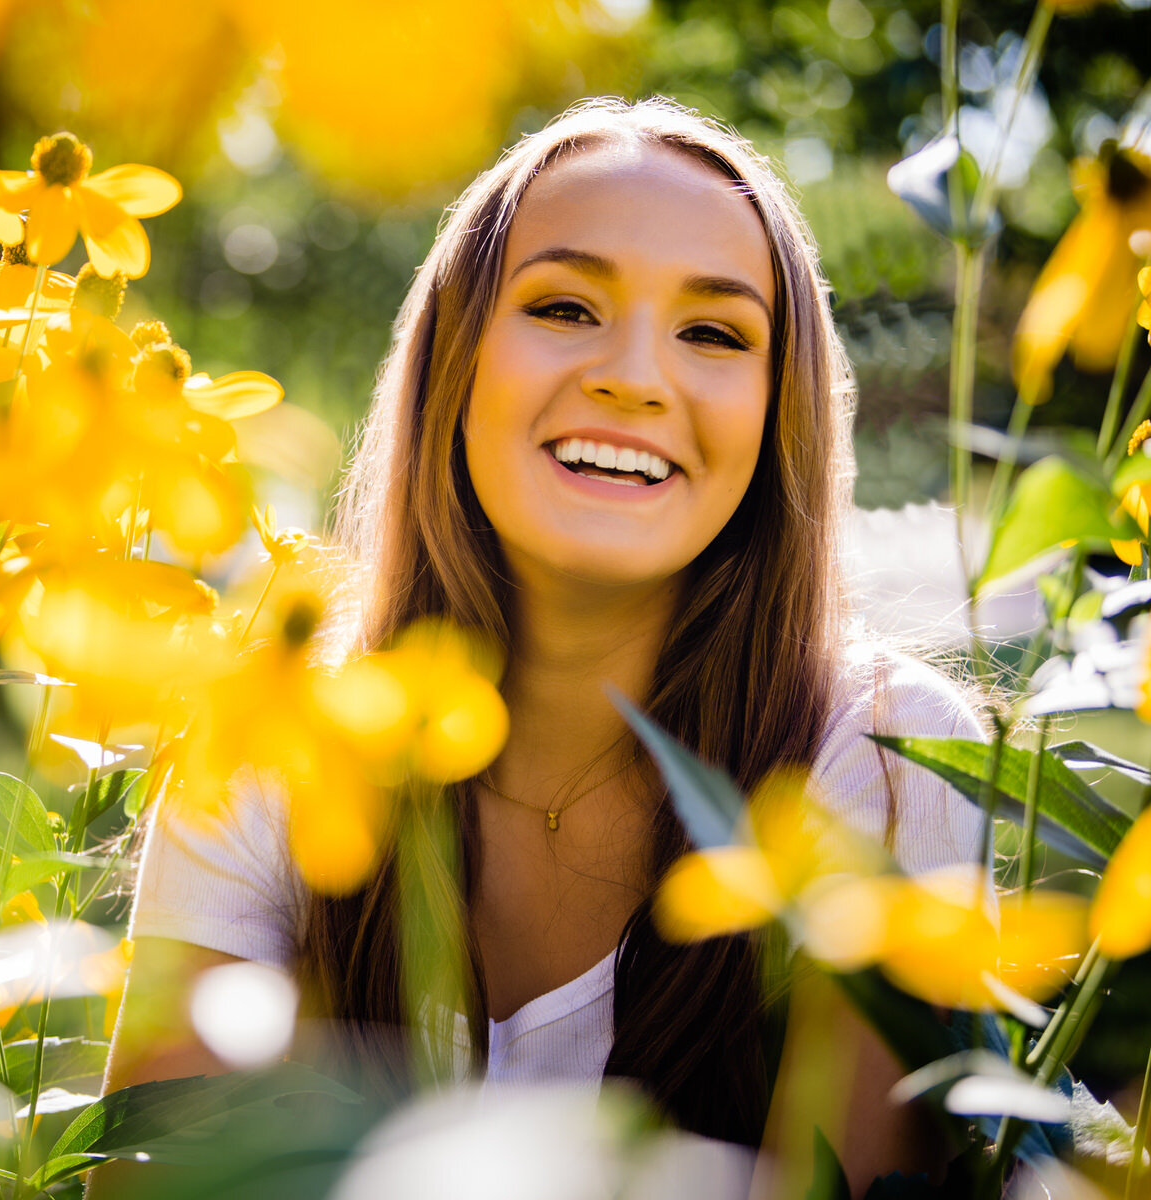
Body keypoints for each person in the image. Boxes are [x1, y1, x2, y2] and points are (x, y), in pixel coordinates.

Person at [98, 96, 986, 1195]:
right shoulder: (266, 733)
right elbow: (152, 1175)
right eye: (566, 307)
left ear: (779, 413)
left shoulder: (894, 759)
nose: (636, 376)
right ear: (453, 363)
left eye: (713, 332)